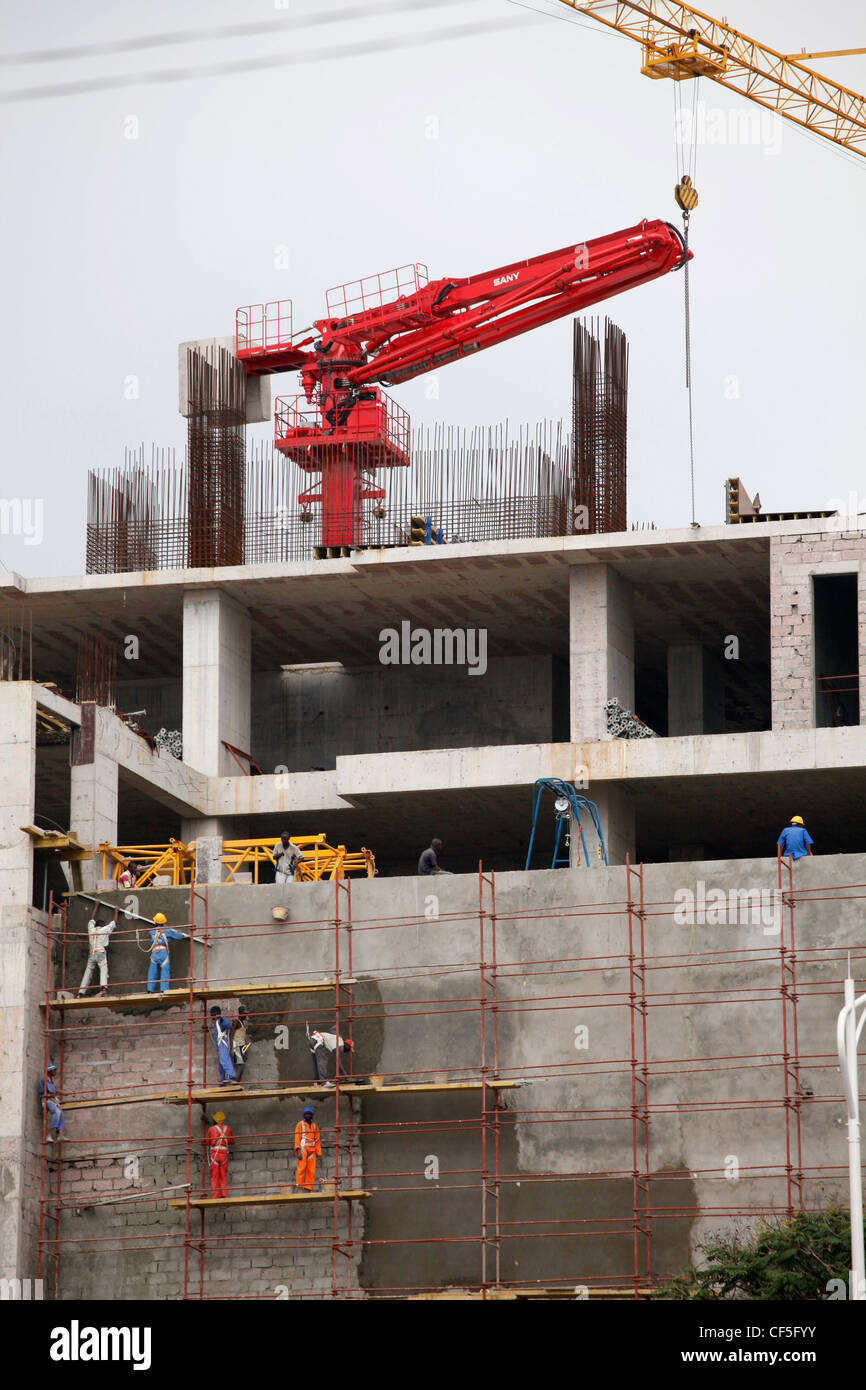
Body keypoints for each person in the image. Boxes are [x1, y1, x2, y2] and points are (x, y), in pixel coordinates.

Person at [146, 913, 188, 994]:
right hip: (163, 953)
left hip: (154, 954)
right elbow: (179, 936)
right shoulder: (168, 931)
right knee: (165, 971)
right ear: (163, 922)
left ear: (155, 922)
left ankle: (150, 990)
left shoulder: (151, 932)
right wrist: (177, 932)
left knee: (152, 971)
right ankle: (164, 990)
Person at [78, 910, 116, 997]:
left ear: (95, 925)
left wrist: (96, 905)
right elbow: (113, 923)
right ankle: (103, 988)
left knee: (88, 972)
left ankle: (80, 992)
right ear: (102, 925)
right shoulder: (104, 929)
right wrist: (116, 911)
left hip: (92, 954)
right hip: (100, 953)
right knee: (103, 969)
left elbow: (91, 919)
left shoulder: (90, 929)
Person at [307, 1022, 353, 1086]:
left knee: (316, 1062)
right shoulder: (340, 1047)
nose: (347, 1051)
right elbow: (338, 1063)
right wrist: (346, 1076)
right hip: (318, 1041)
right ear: (347, 1046)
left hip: (313, 1040)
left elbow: (332, 1029)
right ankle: (324, 1082)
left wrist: (339, 1023)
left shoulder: (338, 1037)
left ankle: (317, 1081)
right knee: (323, 1060)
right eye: (349, 1049)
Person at [206, 1110, 234, 1198]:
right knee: (223, 1176)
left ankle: (215, 1196)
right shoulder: (228, 1129)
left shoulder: (211, 1129)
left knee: (214, 1177)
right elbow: (231, 1141)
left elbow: (208, 1142)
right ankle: (224, 1194)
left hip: (215, 1154)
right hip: (224, 1154)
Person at [294, 1105, 322, 1192]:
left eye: (309, 1114)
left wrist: (318, 1152)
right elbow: (297, 1137)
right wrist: (297, 1150)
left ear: (312, 1115)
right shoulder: (300, 1124)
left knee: (311, 1170)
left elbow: (317, 1139)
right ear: (304, 1115)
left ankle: (308, 1188)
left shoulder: (314, 1126)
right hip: (303, 1148)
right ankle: (299, 1187)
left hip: (312, 1150)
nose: (308, 1115)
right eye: (306, 1114)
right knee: (301, 1168)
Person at [210, 1006, 238, 1085]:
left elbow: (228, 1025)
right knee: (221, 1065)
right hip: (219, 1045)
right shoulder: (216, 1022)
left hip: (223, 1043)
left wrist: (221, 1019)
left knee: (225, 1060)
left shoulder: (222, 1019)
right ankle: (223, 1082)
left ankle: (232, 1077)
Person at [39, 1063, 65, 1142]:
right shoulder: (45, 1080)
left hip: (52, 1099)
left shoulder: (50, 1080)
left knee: (61, 1113)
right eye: (54, 1070)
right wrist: (60, 1093)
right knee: (57, 1112)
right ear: (50, 1071)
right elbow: (51, 1091)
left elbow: (54, 1090)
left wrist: (63, 1092)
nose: (55, 1071)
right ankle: (49, 1135)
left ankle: (60, 1135)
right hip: (47, 1100)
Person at [231, 1005, 252, 1080]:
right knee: (239, 1065)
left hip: (242, 1046)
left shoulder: (242, 1023)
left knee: (241, 1065)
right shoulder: (236, 1022)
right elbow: (231, 1035)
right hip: (237, 1045)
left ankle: (238, 1081)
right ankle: (235, 1082)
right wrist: (231, 1049)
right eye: (244, 1014)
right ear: (240, 1013)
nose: (246, 1015)